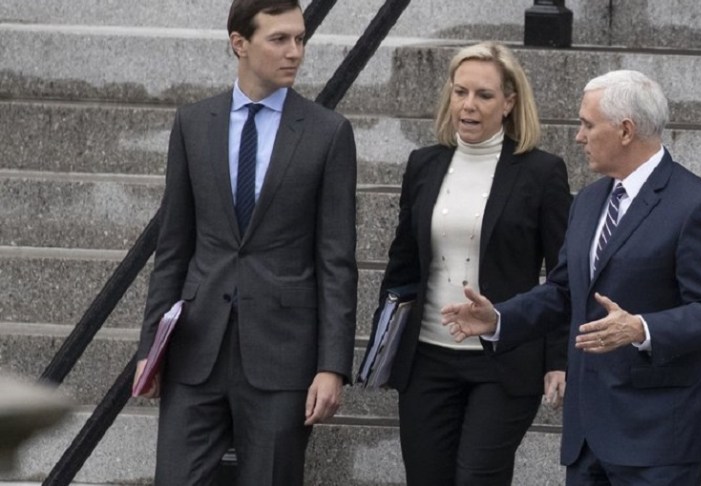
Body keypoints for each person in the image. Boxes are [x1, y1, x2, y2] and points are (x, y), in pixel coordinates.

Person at [442, 70, 701, 485]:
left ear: (626, 130)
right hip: (587, 437)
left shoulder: (697, 205)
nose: (578, 136)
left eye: (587, 124)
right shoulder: (590, 201)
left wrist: (640, 328)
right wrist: (500, 319)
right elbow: (564, 290)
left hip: (658, 438)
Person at [132, 1, 358, 484]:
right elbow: (173, 245)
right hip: (196, 350)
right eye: (279, 39)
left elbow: (337, 261)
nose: (295, 51)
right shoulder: (194, 123)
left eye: (300, 39)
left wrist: (332, 366)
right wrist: (151, 348)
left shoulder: (328, 133)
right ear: (240, 43)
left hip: (282, 357)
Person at [364, 42, 572, 485]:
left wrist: (559, 359)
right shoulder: (424, 164)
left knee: (478, 477)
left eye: (484, 95)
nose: (468, 105)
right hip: (427, 360)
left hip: (503, 361)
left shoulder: (541, 172)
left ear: (510, 103)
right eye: (460, 92)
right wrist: (385, 340)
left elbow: (562, 277)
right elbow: (402, 263)